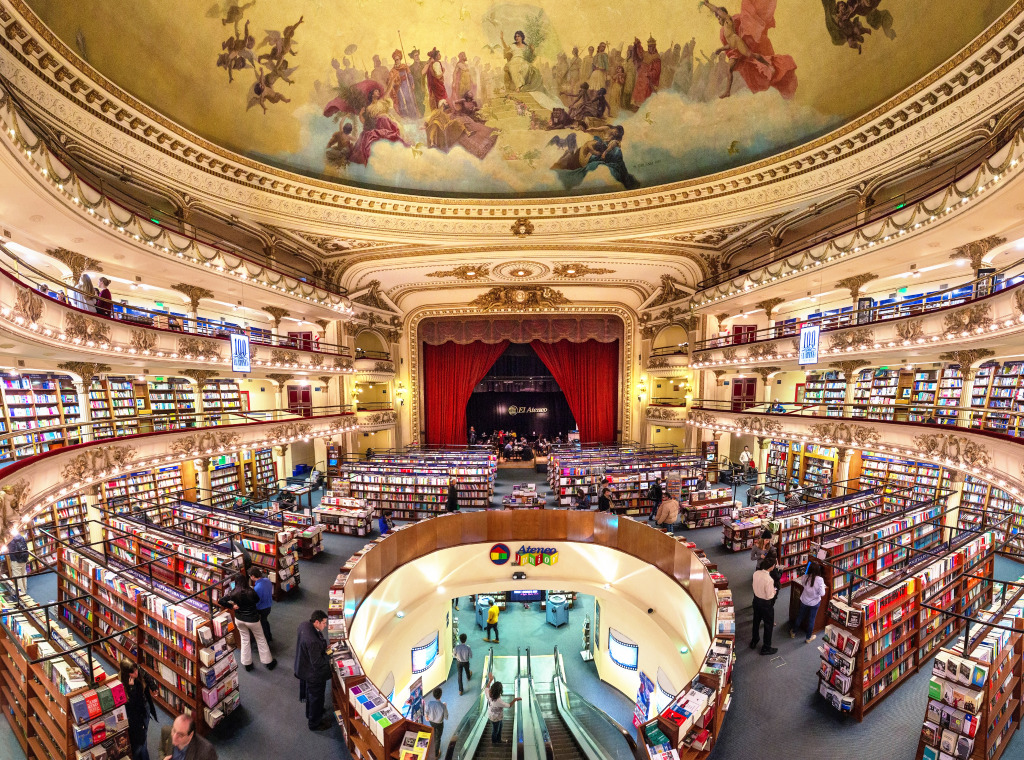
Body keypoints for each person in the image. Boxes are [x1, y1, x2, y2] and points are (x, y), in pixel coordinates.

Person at [219, 573, 276, 672]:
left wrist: (232, 606)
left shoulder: (233, 592)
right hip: (252, 619)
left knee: (244, 640)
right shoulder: (251, 591)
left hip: (239, 619)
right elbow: (257, 600)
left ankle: (247, 664)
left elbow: (221, 601)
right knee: (261, 639)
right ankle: (268, 662)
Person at [294, 609, 333, 731]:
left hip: (303, 666)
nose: (325, 626)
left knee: (311, 695)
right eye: (324, 623)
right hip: (314, 674)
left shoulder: (304, 625)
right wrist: (329, 653)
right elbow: (318, 662)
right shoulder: (313, 641)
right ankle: (314, 723)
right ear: (316, 622)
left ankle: (310, 713)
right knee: (316, 697)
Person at [120, 659, 158, 760]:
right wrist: (132, 689)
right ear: (127, 673)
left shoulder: (137, 671)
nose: (136, 672)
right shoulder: (124, 684)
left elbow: (146, 675)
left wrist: (153, 687)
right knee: (140, 740)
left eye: (136, 669)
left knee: (143, 736)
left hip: (145, 707)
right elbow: (132, 705)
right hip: (135, 715)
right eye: (133, 672)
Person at [792, 562, 826, 643]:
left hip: (804, 600)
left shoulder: (804, 577)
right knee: (811, 620)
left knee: (800, 616)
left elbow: (803, 585)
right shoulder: (820, 580)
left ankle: (793, 632)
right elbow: (822, 593)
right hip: (814, 602)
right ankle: (808, 638)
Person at [751, 556, 778, 655]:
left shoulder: (756, 573)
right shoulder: (769, 580)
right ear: (771, 567)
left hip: (756, 601)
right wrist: (774, 591)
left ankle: (754, 640)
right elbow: (770, 595)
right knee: (768, 625)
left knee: (756, 621)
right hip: (765, 604)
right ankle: (766, 647)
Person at [485, 673, 520, 745]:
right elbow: (509, 705)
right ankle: (494, 742)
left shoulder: (489, 694)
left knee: (500, 727)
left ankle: (499, 739)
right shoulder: (498, 701)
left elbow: (487, 688)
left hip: (492, 715)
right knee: (495, 730)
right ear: (499, 691)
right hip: (496, 718)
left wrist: (490, 680)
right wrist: (515, 699)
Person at [249, 566, 274, 643]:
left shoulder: (258, 588)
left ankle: (266, 640)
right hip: (268, 605)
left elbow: (257, 601)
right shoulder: (267, 580)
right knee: (265, 621)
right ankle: (269, 636)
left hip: (261, 609)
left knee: (262, 624)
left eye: (250, 576)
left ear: (253, 576)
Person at [424, 687, 449, 758]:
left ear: (433, 695)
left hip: (431, 722)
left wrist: (426, 717)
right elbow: (446, 717)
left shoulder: (429, 703)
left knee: (434, 733)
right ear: (441, 695)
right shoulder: (442, 706)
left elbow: (426, 712)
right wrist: (445, 706)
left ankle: (432, 745)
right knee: (438, 738)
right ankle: (436, 754)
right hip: (439, 724)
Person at [6, 527, 28, 595]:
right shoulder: (20, 537)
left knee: (17, 577)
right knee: (23, 574)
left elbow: (9, 550)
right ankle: (25, 590)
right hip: (23, 559)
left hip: (15, 560)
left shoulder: (10, 539)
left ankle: (22, 593)